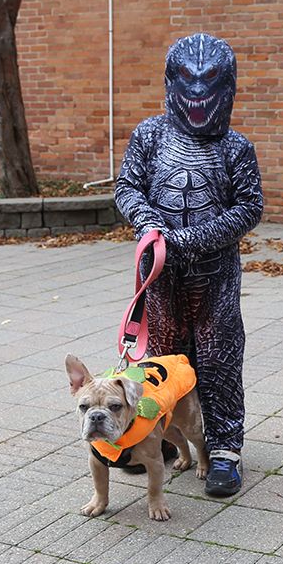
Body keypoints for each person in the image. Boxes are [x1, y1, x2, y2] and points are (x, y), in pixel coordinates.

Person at [116, 33, 263, 497]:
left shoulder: (235, 147)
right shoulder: (150, 135)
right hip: (160, 278)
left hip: (213, 278)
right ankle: (154, 439)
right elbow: (128, 188)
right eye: (188, 81)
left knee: (218, 361)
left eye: (210, 82)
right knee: (160, 364)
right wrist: (148, 223)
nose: (198, 94)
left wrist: (189, 240)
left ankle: (223, 449)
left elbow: (248, 207)